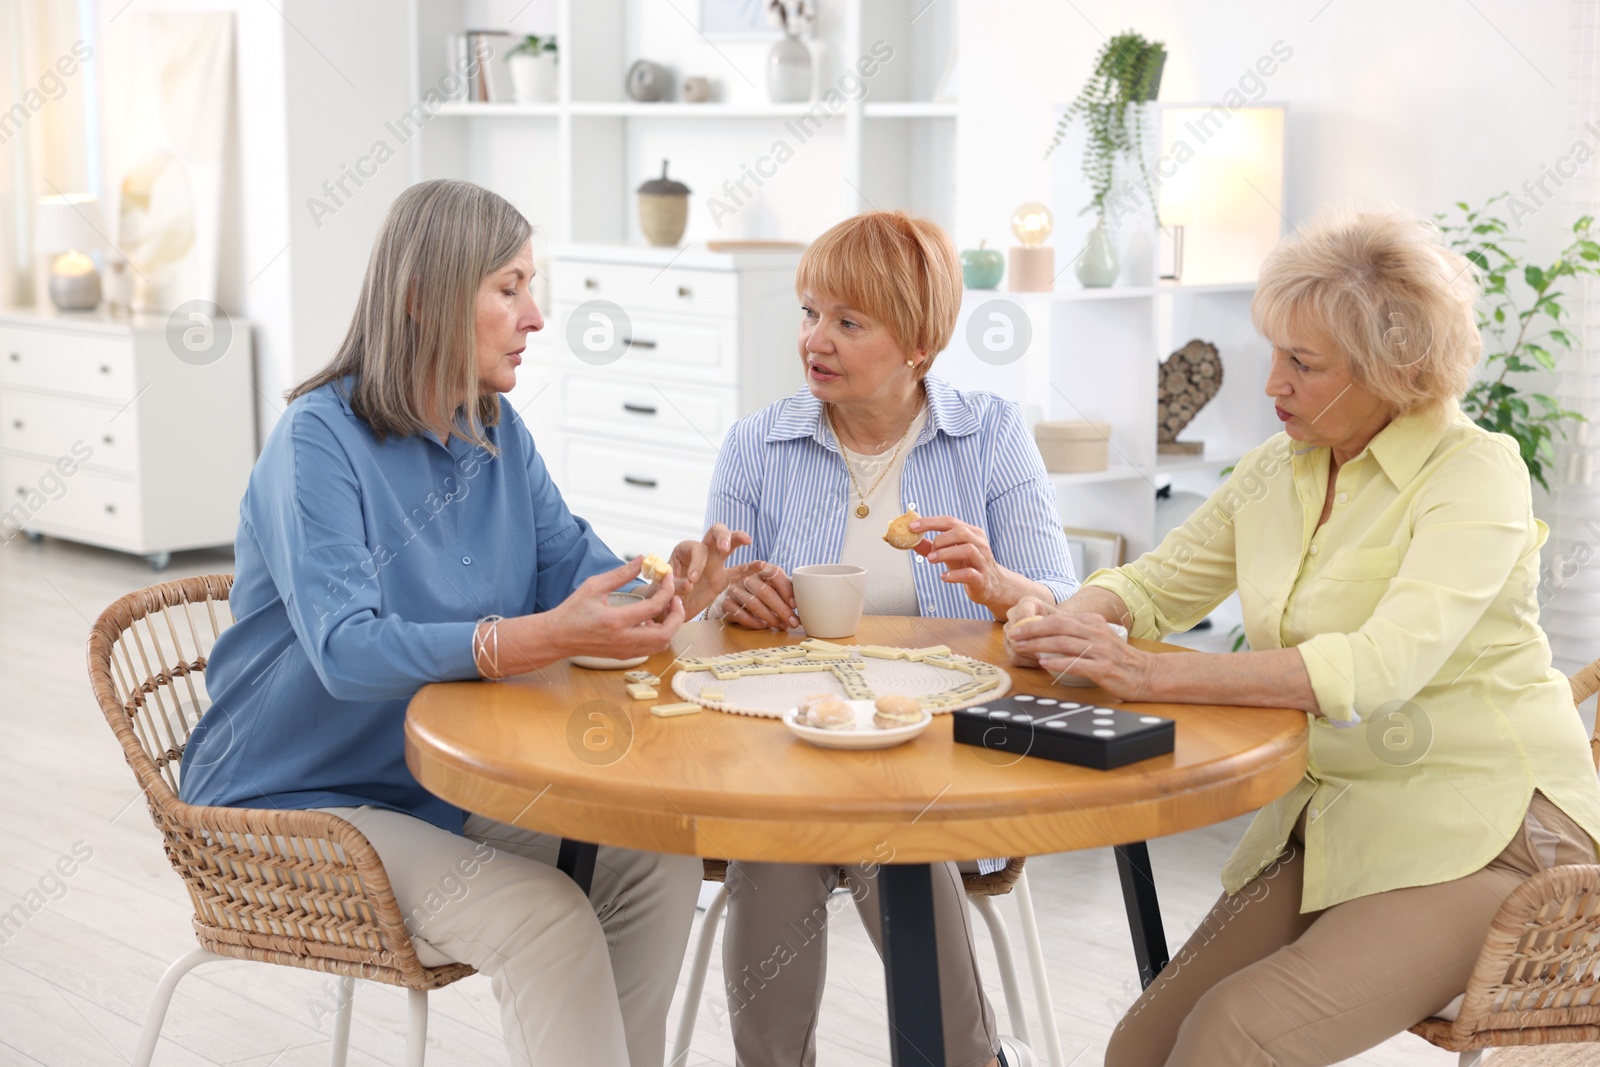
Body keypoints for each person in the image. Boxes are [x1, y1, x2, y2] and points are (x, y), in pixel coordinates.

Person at [180, 179, 761, 1067]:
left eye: (533, 286)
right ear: (423, 299)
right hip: (296, 799)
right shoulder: (315, 441)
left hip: (438, 785)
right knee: (550, 921)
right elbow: (343, 649)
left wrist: (679, 588)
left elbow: (583, 581)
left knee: (656, 858)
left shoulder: (496, 430)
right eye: (508, 287)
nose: (536, 316)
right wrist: (538, 637)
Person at [1003, 207, 1600, 1066]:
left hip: (1495, 834)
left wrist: (1143, 674)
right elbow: (1153, 585)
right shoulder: (1277, 471)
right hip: (1344, 814)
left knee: (1233, 1035)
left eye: (1303, 363)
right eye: (1275, 353)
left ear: (1393, 369)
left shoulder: (1475, 473)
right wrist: (1075, 623)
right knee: (1137, 1047)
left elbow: (1378, 664)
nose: (1271, 383)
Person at [705, 210, 1077, 1067]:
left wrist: (1002, 584)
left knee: (882, 826)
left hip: (945, 757)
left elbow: (1065, 603)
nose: (815, 340)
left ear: (918, 340)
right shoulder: (755, 444)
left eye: (847, 320)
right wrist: (733, 599)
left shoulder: (989, 433)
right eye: (808, 313)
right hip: (789, 751)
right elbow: (706, 631)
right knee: (785, 831)